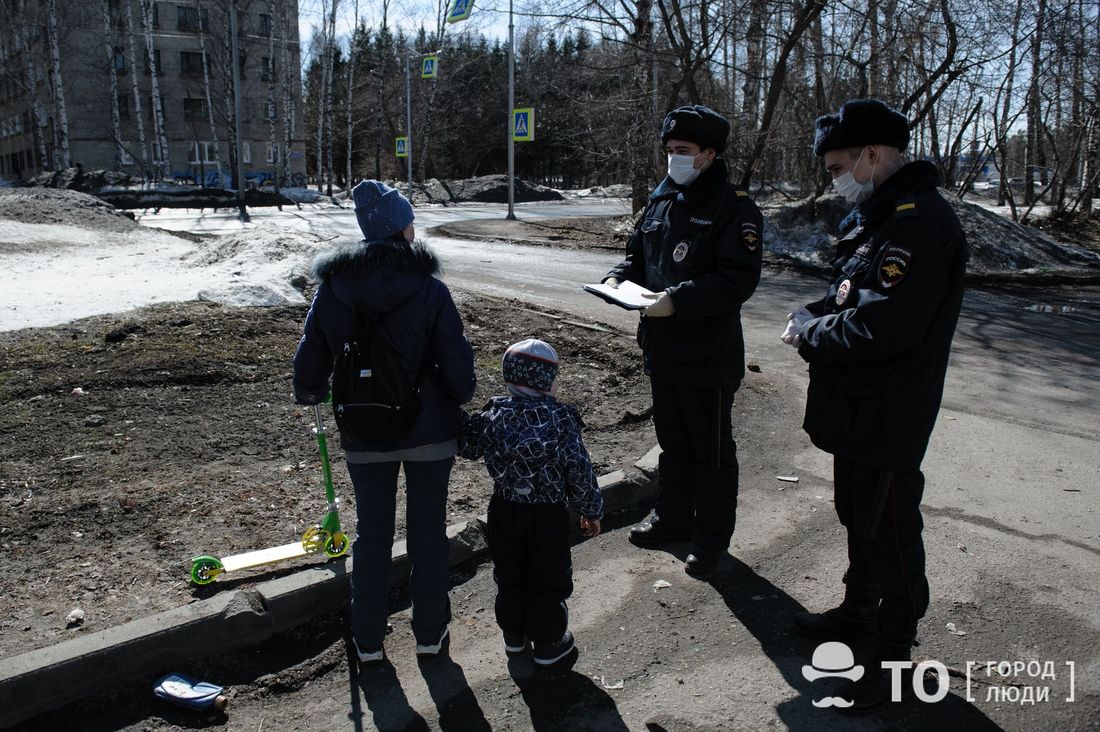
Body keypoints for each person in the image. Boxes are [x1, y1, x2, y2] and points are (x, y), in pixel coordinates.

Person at [781, 98, 968, 709]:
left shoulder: (917, 223)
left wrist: (810, 333)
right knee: (857, 515)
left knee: (889, 527)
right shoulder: (879, 216)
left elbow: (885, 327)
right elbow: (851, 295)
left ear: (871, 154)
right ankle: (859, 613)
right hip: (858, 405)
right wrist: (815, 312)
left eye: (838, 165)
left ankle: (895, 653)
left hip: (891, 409)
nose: (834, 177)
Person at [293, 180, 476, 664]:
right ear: (400, 226)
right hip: (429, 432)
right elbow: (455, 363)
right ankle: (430, 635)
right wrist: (460, 396)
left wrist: (310, 391)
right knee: (427, 534)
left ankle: (368, 639)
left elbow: (312, 354)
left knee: (372, 535)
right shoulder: (431, 290)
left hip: (363, 430)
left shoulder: (335, 288)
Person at [602, 104, 763, 578]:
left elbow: (738, 280)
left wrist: (679, 300)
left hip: (708, 354)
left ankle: (710, 540)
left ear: (710, 154)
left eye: (684, 152)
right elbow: (637, 255)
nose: (674, 159)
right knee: (672, 443)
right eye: (670, 150)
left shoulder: (735, 208)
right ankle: (671, 520)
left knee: (711, 453)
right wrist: (617, 278)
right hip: (663, 349)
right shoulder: (662, 199)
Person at [459, 338, 603, 667]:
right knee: (548, 576)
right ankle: (550, 643)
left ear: (509, 378)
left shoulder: (494, 413)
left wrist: (457, 417)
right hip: (548, 514)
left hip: (504, 510)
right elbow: (579, 469)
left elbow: (467, 446)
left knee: (510, 573)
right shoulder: (561, 419)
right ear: (549, 382)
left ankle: (514, 636)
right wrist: (590, 510)